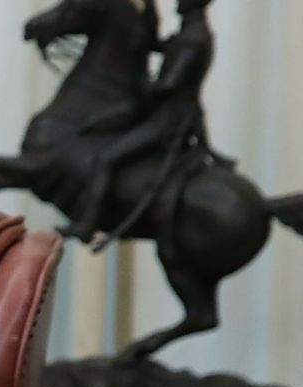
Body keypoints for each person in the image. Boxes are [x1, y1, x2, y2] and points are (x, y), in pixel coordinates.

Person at [67, 0, 232, 245]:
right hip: (164, 113)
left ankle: (88, 224)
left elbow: (168, 85)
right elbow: (155, 44)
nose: (179, 3)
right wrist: (149, 6)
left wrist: (138, 89)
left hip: (169, 120)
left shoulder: (194, 38)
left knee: (106, 160)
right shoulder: (186, 33)